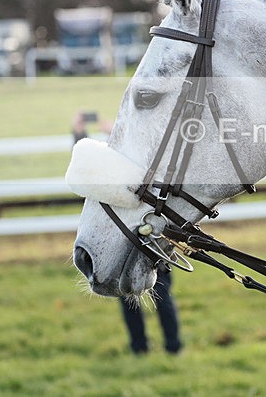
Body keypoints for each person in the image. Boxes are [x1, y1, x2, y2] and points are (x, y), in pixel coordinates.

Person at [71, 111, 183, 355]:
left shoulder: (143, 158)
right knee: (132, 297)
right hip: (123, 241)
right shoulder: (113, 169)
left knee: (161, 295)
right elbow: (90, 171)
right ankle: (145, 347)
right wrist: (80, 134)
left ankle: (168, 347)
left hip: (150, 237)